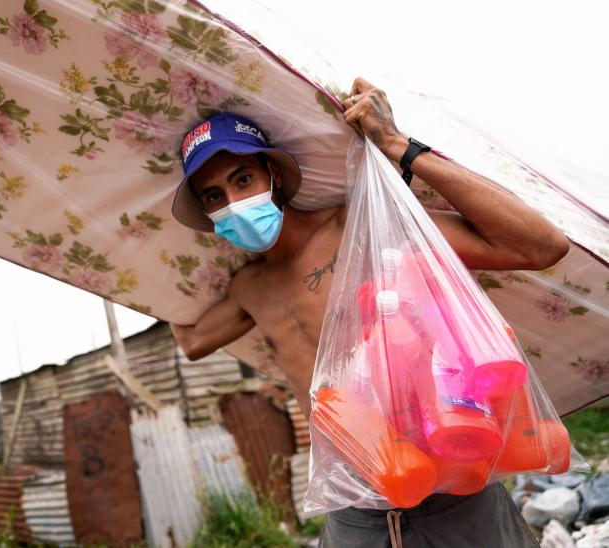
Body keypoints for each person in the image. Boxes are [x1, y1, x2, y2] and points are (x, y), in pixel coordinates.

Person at [169, 78, 567, 547]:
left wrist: (400, 146)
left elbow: (541, 246)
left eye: (242, 180)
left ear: (274, 176)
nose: (235, 204)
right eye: (215, 197)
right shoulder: (248, 289)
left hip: (456, 491)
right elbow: (192, 342)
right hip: (354, 511)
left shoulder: (367, 226)